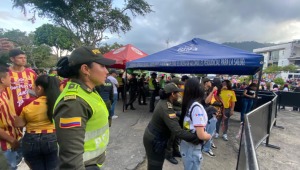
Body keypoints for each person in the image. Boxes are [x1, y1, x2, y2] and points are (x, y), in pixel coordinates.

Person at [53, 46, 115, 169]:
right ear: (85, 69)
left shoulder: (89, 91)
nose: (107, 71)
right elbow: (71, 159)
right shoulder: (74, 102)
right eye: (102, 66)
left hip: (93, 163)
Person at [143, 83, 201, 170]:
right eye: (177, 93)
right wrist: (197, 138)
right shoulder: (166, 108)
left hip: (155, 136)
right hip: (155, 140)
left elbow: (174, 112)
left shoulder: (165, 102)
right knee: (155, 165)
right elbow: (178, 131)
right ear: (172, 94)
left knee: (156, 163)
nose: (179, 95)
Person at [14, 75, 60, 170]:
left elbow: (19, 123)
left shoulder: (28, 103)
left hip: (31, 140)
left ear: (39, 88)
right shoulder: (59, 103)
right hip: (53, 138)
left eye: (33, 86)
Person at [179, 78, 211, 170]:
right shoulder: (196, 107)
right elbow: (201, 135)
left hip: (187, 144)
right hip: (192, 147)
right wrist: (209, 136)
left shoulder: (189, 104)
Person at [0, 66, 23, 170]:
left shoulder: (4, 92)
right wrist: (11, 140)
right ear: (2, 79)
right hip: (5, 144)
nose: (11, 79)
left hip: (12, 140)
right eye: (9, 77)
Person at [7, 49, 37, 116]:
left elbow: (37, 89)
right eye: (20, 58)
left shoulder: (31, 73)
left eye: (25, 58)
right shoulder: (5, 73)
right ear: (12, 59)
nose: (24, 60)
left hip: (30, 109)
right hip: (11, 110)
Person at [201, 77, 218, 157]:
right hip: (204, 113)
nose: (211, 83)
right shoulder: (202, 91)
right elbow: (206, 101)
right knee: (209, 131)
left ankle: (207, 146)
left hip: (207, 112)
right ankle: (206, 149)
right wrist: (213, 91)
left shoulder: (207, 90)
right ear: (205, 82)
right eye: (209, 81)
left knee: (210, 130)